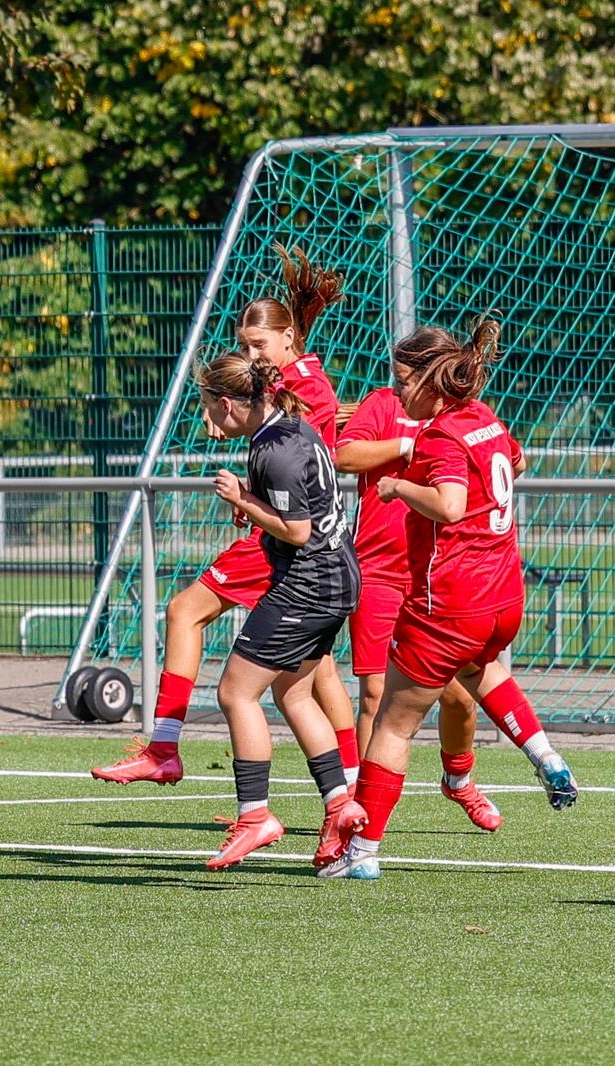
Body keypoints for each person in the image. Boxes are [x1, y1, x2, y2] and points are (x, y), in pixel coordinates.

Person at [94, 246, 359, 789]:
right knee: (311, 675)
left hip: (292, 546)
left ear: (288, 338)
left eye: (258, 344)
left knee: (185, 613)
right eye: (244, 345)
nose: (250, 355)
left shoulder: (301, 388)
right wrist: (255, 495)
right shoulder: (296, 381)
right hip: (312, 545)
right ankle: (349, 786)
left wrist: (250, 498)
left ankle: (164, 748)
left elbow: (299, 466)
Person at [322, 319, 578, 881]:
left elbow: (450, 505)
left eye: (404, 381)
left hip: (450, 600)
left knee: (392, 724)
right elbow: (516, 462)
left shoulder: (440, 436)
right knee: (478, 672)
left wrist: (398, 487)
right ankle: (544, 755)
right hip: (502, 596)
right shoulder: (484, 417)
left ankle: (361, 853)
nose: (398, 393)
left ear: (429, 380)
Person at [189, 354, 365, 871]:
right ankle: (339, 804)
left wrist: (244, 499)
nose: (207, 419)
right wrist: (253, 502)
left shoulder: (275, 450)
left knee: (235, 692)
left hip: (309, 584)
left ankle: (255, 816)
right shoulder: (287, 427)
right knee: (294, 692)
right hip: (336, 577)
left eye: (207, 407)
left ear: (227, 403)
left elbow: (297, 530)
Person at [336, 385, 503, 830]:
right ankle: (363, 815)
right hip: (378, 573)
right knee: (375, 697)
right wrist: (406, 445)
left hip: (435, 577)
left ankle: (459, 779)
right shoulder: (384, 404)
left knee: (460, 698)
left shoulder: (466, 414)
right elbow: (343, 456)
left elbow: (507, 462)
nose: (404, 383)